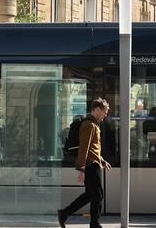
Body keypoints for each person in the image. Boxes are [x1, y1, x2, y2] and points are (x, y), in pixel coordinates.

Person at [58, 98, 111, 228]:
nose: (105, 115)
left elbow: (93, 148)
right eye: (104, 112)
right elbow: (84, 148)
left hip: (94, 163)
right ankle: (94, 224)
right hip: (91, 166)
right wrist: (82, 169)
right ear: (97, 110)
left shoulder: (93, 124)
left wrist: (102, 161)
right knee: (98, 195)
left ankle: (64, 213)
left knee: (90, 195)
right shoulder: (89, 125)